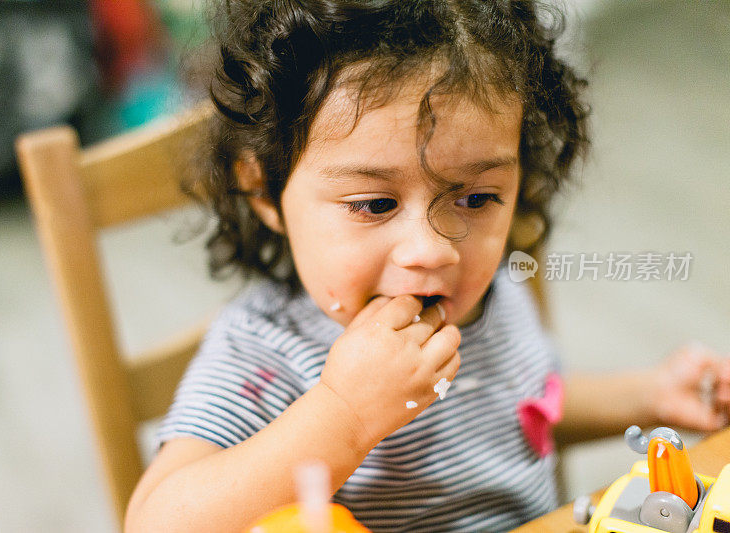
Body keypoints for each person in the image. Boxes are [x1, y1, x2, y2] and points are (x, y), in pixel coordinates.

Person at [125, 1, 730, 531]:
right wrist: (344, 414)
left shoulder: (488, 292)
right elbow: (157, 521)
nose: (434, 250)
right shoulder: (260, 357)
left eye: (475, 198)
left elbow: (519, 408)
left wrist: (649, 396)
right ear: (263, 189)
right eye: (374, 204)